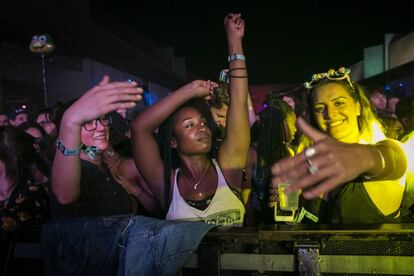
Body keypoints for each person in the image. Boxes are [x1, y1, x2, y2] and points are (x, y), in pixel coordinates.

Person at [131, 13, 250, 226]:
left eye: (203, 122)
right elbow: (140, 128)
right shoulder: (165, 184)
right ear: (173, 141)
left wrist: (234, 41)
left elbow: (239, 101)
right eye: (190, 125)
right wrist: (191, 90)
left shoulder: (227, 168)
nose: (202, 128)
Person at [270, 67, 408, 224]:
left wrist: (363, 157)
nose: (330, 113)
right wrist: (290, 209)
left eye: (339, 103)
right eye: (320, 108)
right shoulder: (316, 165)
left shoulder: (381, 151)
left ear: (358, 106)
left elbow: (394, 158)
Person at [51, 75, 145, 217]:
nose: (101, 127)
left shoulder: (104, 167)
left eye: (102, 119)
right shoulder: (74, 173)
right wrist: (70, 119)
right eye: (88, 122)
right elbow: (65, 196)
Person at [246, 98, 297, 224]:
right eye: (292, 124)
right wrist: (250, 224)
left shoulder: (289, 153)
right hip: (258, 220)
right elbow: (246, 195)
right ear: (280, 125)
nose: (295, 130)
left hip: (283, 218)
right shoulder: (252, 154)